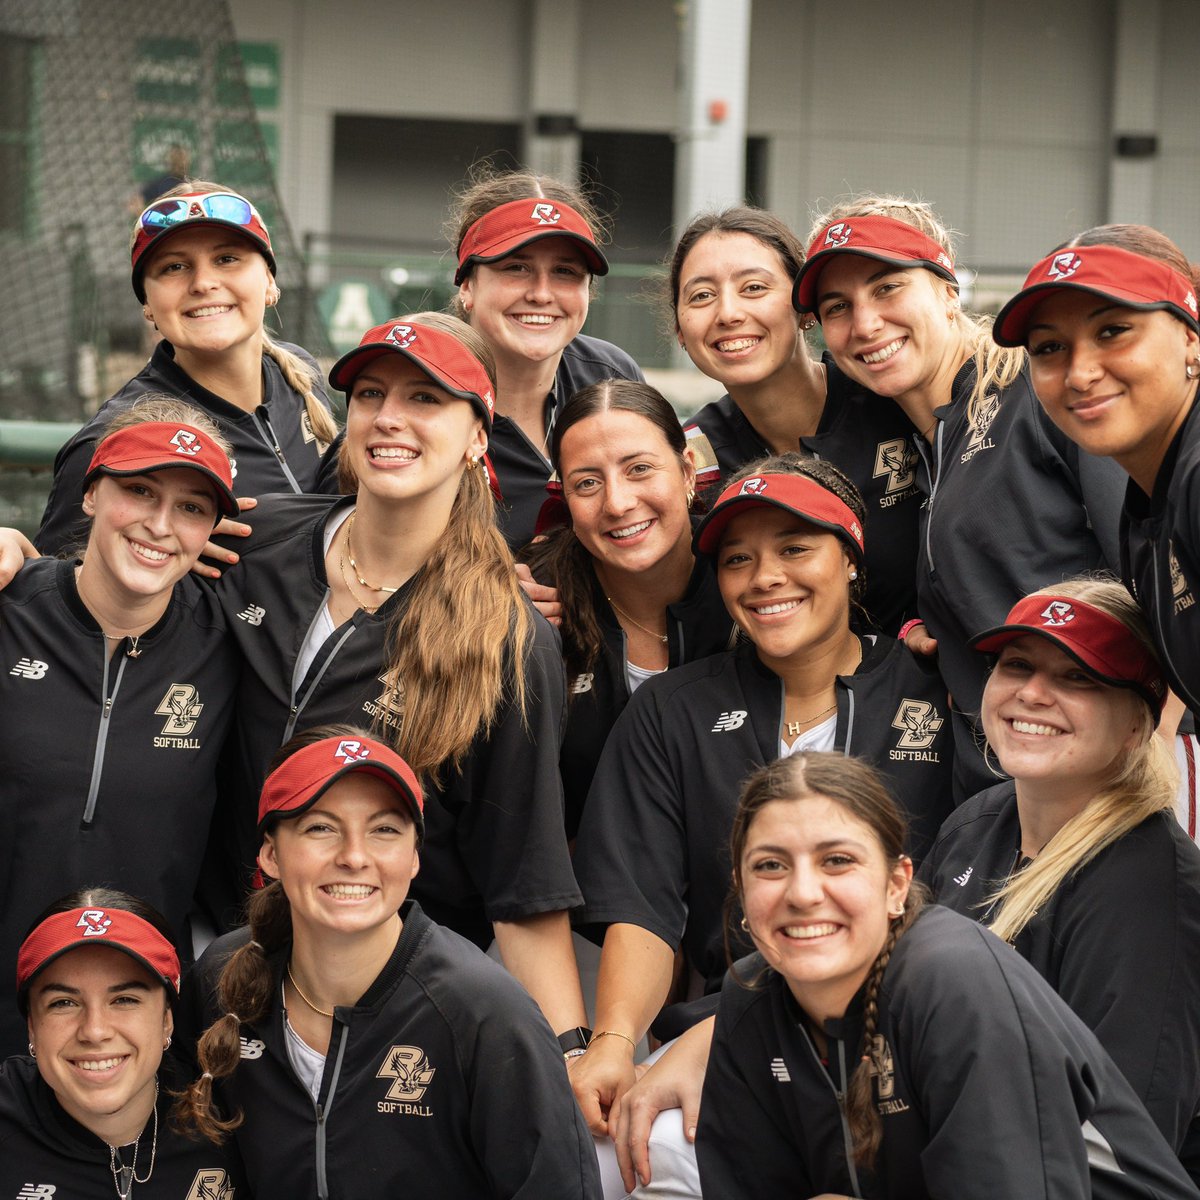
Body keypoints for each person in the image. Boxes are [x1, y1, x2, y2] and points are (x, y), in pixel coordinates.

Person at [205, 313, 589, 1039]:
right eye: (370, 394)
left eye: (425, 398)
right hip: (219, 963)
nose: (388, 418)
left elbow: (524, 888)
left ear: (478, 435)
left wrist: (568, 1053)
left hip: (391, 1006)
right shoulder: (256, 540)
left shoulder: (507, 637)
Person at [570, 455, 968, 1138]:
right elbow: (642, 906)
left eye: (795, 548)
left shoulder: (938, 689)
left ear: (851, 558)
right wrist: (612, 1042)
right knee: (615, 1153)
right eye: (737, 559)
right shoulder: (671, 710)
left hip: (906, 1026)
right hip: (723, 1036)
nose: (764, 578)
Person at [696, 752, 1200, 1199]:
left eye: (837, 861)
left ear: (897, 885)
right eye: (770, 866)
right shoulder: (751, 998)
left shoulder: (953, 982)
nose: (803, 893)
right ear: (740, 886)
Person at [176, 727, 601, 1199]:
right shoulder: (222, 978)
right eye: (321, 828)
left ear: (415, 856)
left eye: (384, 830)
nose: (354, 857)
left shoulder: (485, 1013)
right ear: (271, 854)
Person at [793, 197, 1128, 746]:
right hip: (1013, 768)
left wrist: (1162, 733)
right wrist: (926, 625)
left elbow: (1166, 571)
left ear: (948, 291)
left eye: (887, 287)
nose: (865, 324)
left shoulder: (1039, 389)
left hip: (1119, 754)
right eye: (837, 307)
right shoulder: (925, 445)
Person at [921, 578, 1200, 1175]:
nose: (1033, 694)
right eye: (1017, 665)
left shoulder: (1153, 889)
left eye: (1078, 676)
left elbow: (1122, 1157)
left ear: (1137, 723)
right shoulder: (975, 822)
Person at [0, 400, 240, 1056]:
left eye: (191, 507)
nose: (160, 525)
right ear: (90, 494)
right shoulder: (11, 608)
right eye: (139, 491)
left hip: (131, 1036)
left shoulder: (231, 646)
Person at [39, 180, 339, 564]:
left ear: (269, 281)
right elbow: (54, 589)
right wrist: (157, 556)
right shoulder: (115, 438)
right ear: (147, 304)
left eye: (227, 259)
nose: (203, 283)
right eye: (174, 267)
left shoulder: (298, 373)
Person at [674, 207, 921, 634]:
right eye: (701, 296)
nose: (727, 313)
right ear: (680, 329)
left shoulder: (893, 395)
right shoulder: (693, 460)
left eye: (753, 287)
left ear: (806, 309)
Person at [992, 228, 1200, 728]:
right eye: (1049, 347)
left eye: (1112, 331)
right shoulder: (1150, 498)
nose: (1079, 373)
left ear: (1191, 338)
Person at [518, 379, 731, 837]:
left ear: (688, 471)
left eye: (639, 469)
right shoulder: (530, 601)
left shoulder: (747, 586)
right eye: (587, 483)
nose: (617, 503)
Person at [0, 888, 245, 1195]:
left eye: (125, 999)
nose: (94, 1031)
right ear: (32, 1027)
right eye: (63, 1003)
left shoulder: (233, 1117)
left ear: (166, 1019)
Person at [449, 164, 645, 546]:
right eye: (516, 267)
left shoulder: (612, 376)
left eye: (564, 271)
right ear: (468, 285)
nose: (541, 293)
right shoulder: (418, 387)